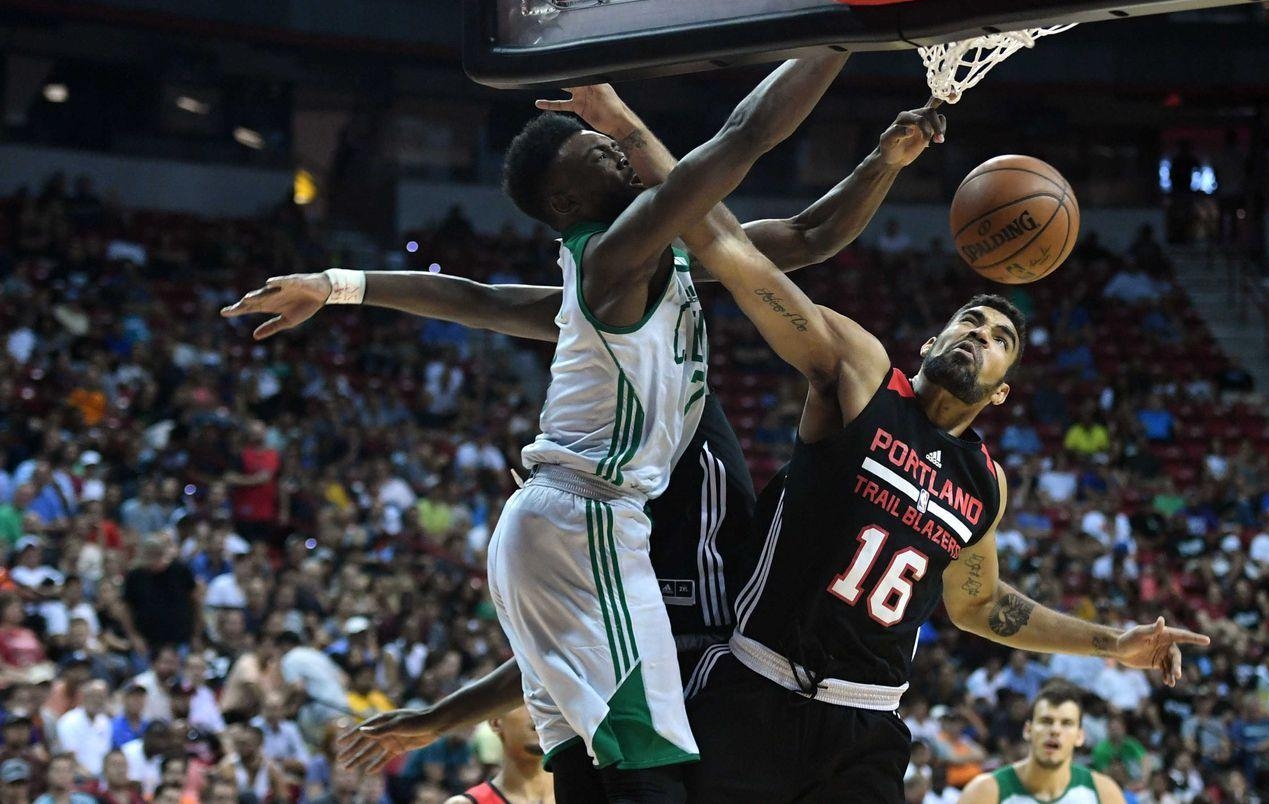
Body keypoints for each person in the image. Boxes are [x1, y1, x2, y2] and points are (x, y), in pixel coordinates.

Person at [233, 81, 943, 798]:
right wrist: (840, 27)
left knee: (587, 776)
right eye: (599, 154)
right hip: (584, 511)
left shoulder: (638, 273)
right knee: (658, 776)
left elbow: (812, 235)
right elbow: (740, 139)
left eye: (614, 146)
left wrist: (886, 158)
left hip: (562, 525)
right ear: (568, 203)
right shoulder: (612, 260)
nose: (620, 155)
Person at [675, 186, 1208, 801]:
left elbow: (979, 607)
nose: (980, 337)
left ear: (1001, 390)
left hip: (866, 724)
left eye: (999, 341)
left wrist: (1112, 644)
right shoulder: (865, 381)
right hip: (758, 687)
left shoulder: (985, 483)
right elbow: (739, 259)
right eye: (970, 324)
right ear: (931, 345)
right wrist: (634, 142)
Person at [957, 681, 1125, 804]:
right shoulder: (985, 791)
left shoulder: (1103, 793)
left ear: (1080, 737)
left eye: (1066, 723)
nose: (1055, 730)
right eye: (1046, 721)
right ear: (1028, 730)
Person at [447, 706, 554, 804]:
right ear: (495, 723)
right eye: (523, 702)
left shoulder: (570, 790)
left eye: (543, 700)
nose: (537, 711)